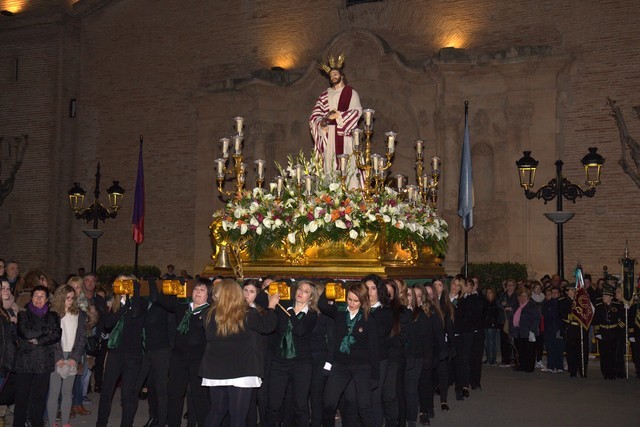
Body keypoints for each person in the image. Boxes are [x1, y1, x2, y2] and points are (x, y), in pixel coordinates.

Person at [200, 279, 279, 427]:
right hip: (242, 370)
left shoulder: (208, 314)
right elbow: (268, 326)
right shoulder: (248, 313)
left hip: (216, 369)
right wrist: (272, 306)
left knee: (217, 411)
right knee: (238, 417)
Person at [150, 276, 212, 427]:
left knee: (200, 398)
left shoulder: (211, 312)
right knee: (174, 396)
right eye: (196, 289)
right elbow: (158, 298)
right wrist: (156, 283)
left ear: (208, 295)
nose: (198, 292)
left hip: (199, 361)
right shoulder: (183, 307)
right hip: (179, 359)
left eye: (202, 290)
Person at [319, 282, 379, 427]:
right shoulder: (340, 314)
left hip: (361, 367)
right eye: (349, 299)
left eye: (355, 301)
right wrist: (330, 285)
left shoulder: (369, 320)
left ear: (363, 301)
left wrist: (375, 376)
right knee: (328, 404)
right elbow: (322, 304)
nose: (351, 303)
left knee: (364, 406)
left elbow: (374, 349)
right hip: (340, 365)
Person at [264, 280, 318, 427]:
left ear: (311, 297)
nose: (301, 293)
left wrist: (291, 312)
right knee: (273, 404)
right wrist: (273, 301)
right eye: (299, 289)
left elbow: (300, 330)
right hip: (279, 362)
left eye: (306, 291)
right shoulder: (282, 308)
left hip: (301, 364)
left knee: (300, 405)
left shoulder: (312, 315)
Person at [95, 276, 147, 427]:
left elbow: (136, 313)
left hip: (133, 354)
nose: (122, 285)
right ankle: (101, 423)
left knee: (128, 395)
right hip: (115, 353)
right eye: (120, 282)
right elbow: (108, 324)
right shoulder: (115, 304)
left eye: (126, 282)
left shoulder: (141, 302)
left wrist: (134, 293)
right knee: (106, 392)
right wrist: (123, 306)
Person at [309, 54, 362, 186]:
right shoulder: (324, 95)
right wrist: (321, 123)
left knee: (349, 170)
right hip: (330, 138)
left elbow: (357, 111)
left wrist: (339, 115)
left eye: (335, 74)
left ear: (341, 75)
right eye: (331, 75)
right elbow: (315, 116)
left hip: (345, 137)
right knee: (329, 167)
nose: (333, 77)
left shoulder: (351, 93)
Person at [13, 285, 62, 427]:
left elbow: (57, 335)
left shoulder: (53, 316)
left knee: (39, 400)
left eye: (42, 296)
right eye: (35, 295)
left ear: (47, 299)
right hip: (25, 363)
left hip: (43, 364)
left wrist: (38, 340)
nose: (38, 299)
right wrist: (47, 331)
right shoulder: (23, 314)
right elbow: (26, 333)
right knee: (22, 400)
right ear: (31, 298)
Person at [46, 284, 87, 427]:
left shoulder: (80, 314)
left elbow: (82, 337)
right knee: (54, 391)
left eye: (72, 298)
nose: (70, 301)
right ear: (60, 298)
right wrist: (58, 358)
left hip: (72, 354)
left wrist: (75, 358)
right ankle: (52, 423)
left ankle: (65, 423)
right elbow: (50, 337)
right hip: (56, 354)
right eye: (67, 298)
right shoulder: (52, 314)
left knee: (67, 391)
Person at [593, 285, 625, 379]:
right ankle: (605, 373)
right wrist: (597, 332)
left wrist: (618, 330)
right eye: (603, 296)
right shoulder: (599, 306)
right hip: (603, 332)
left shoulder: (617, 306)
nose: (604, 298)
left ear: (611, 297)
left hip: (613, 332)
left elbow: (623, 319)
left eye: (606, 296)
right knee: (604, 354)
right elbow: (596, 320)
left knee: (613, 354)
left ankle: (613, 372)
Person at [559, 283, 589, 378]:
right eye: (572, 290)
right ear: (567, 292)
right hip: (571, 328)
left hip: (581, 328)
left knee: (583, 350)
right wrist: (576, 316)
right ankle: (573, 371)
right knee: (571, 351)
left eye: (575, 290)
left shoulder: (582, 301)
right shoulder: (563, 301)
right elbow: (563, 315)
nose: (575, 292)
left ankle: (583, 370)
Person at [509, 289, 540, 372]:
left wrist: (532, 330)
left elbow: (537, 319)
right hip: (518, 332)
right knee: (520, 350)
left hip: (528, 332)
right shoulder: (516, 306)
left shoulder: (532, 306)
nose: (522, 298)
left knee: (529, 350)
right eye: (521, 296)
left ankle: (529, 367)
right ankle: (522, 365)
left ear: (528, 297)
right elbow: (512, 317)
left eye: (525, 296)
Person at [541, 286, 564, 373]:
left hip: (558, 329)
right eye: (552, 293)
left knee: (559, 348)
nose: (554, 294)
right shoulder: (546, 303)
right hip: (549, 329)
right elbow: (546, 313)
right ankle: (550, 365)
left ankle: (559, 366)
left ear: (559, 294)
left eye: (555, 293)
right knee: (550, 348)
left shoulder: (562, 302)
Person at [497, 279, 518, 367]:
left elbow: (517, 305)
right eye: (508, 285)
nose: (510, 287)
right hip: (503, 320)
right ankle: (505, 360)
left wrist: (507, 305)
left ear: (514, 286)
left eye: (511, 285)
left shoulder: (517, 295)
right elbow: (497, 303)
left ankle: (514, 360)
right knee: (504, 341)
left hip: (513, 320)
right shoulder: (502, 295)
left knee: (513, 340)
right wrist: (504, 307)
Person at [483, 288, 500, 365]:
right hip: (486, 324)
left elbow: (496, 314)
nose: (488, 294)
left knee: (491, 342)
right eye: (487, 293)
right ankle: (488, 359)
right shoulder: (485, 302)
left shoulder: (495, 302)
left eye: (490, 292)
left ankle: (493, 359)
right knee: (486, 342)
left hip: (492, 324)